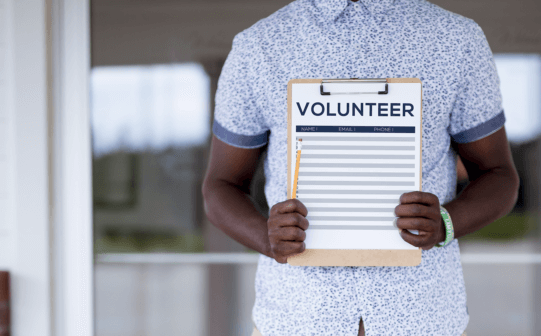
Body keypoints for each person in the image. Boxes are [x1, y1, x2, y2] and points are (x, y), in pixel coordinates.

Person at [201, 0, 519, 334]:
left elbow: (499, 175)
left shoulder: (457, 39)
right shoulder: (259, 46)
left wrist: (446, 222)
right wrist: (267, 239)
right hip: (295, 320)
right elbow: (220, 185)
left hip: (424, 318)